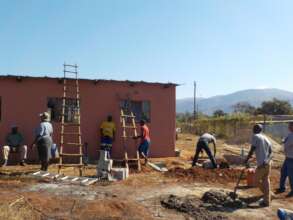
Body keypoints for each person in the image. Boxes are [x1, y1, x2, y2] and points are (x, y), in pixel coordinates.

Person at [244, 124, 273, 207]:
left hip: (262, 164)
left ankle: (268, 195)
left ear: (255, 129)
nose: (252, 130)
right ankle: (267, 200)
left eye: (253, 128)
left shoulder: (255, 136)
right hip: (268, 163)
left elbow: (252, 149)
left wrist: (246, 160)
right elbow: (271, 152)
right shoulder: (266, 138)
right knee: (265, 180)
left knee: (255, 182)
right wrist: (267, 160)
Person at [276, 122, 293, 197]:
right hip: (288, 157)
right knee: (283, 172)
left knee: (291, 175)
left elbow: (285, 145)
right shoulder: (290, 134)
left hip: (291, 158)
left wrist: (282, 144)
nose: (288, 127)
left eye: (290, 126)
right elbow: (285, 141)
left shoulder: (292, 136)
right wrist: (283, 141)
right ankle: (282, 187)